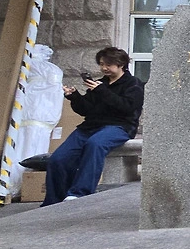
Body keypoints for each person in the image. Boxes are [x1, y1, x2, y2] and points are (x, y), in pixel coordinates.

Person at [42, 47, 144, 206]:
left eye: (108, 64)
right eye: (102, 64)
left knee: (95, 144)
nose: (104, 68)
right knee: (58, 158)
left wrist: (102, 91)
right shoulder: (100, 83)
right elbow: (86, 109)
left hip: (119, 126)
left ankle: (80, 192)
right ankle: (54, 200)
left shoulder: (133, 84)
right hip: (90, 127)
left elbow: (128, 107)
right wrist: (74, 96)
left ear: (121, 64)